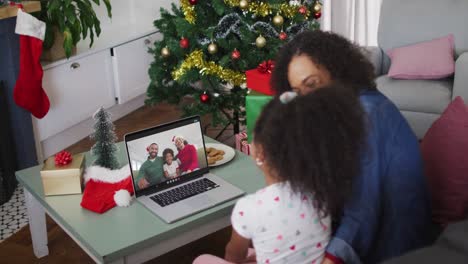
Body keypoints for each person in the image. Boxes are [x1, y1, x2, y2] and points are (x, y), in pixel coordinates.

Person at [270, 30, 433, 264]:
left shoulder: (366, 115)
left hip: (393, 242)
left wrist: (330, 258)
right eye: (298, 92)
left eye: (312, 84)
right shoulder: (343, 107)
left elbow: (363, 211)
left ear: (336, 71)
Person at [193, 85, 367, 264]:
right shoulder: (323, 194)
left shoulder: (248, 208)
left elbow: (234, 256)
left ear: (260, 153)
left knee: (202, 259)